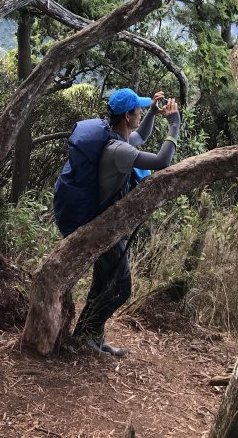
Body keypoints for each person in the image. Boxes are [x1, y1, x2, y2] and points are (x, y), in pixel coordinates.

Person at [72, 86, 181, 357]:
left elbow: (141, 135)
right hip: (105, 227)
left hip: (109, 223)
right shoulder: (118, 151)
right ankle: (85, 338)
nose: (141, 112)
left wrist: (154, 113)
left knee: (102, 284)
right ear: (127, 116)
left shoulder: (116, 139)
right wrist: (174, 125)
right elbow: (162, 160)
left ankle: (92, 337)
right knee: (121, 288)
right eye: (139, 110)